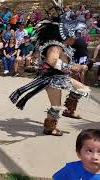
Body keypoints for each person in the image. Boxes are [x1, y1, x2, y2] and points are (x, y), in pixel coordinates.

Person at [9, 1, 90, 136]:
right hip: (52, 79)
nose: (77, 37)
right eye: (76, 34)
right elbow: (52, 61)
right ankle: (49, 127)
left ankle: (69, 110)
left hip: (62, 77)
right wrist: (73, 67)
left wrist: (77, 67)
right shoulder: (55, 46)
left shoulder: (65, 46)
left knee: (83, 90)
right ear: (69, 34)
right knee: (56, 106)